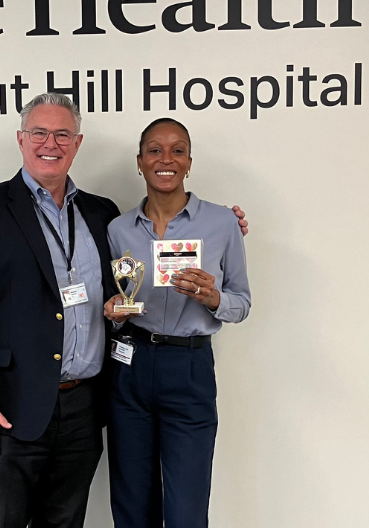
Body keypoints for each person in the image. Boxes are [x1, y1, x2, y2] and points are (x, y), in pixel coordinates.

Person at [0, 95, 247, 528]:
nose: (51, 143)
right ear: (21, 140)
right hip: (11, 408)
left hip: (84, 406)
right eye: (40, 133)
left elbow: (131, 276)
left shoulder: (101, 214)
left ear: (77, 143)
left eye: (62, 134)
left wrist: (223, 226)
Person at [104, 118, 252, 528]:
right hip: (130, 367)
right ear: (140, 161)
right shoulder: (118, 230)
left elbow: (242, 303)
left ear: (189, 161)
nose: (165, 159)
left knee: (186, 509)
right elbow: (117, 297)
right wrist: (113, 314)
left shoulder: (222, 224)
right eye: (154, 150)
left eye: (177, 150)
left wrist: (214, 297)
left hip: (188, 369)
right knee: (132, 505)